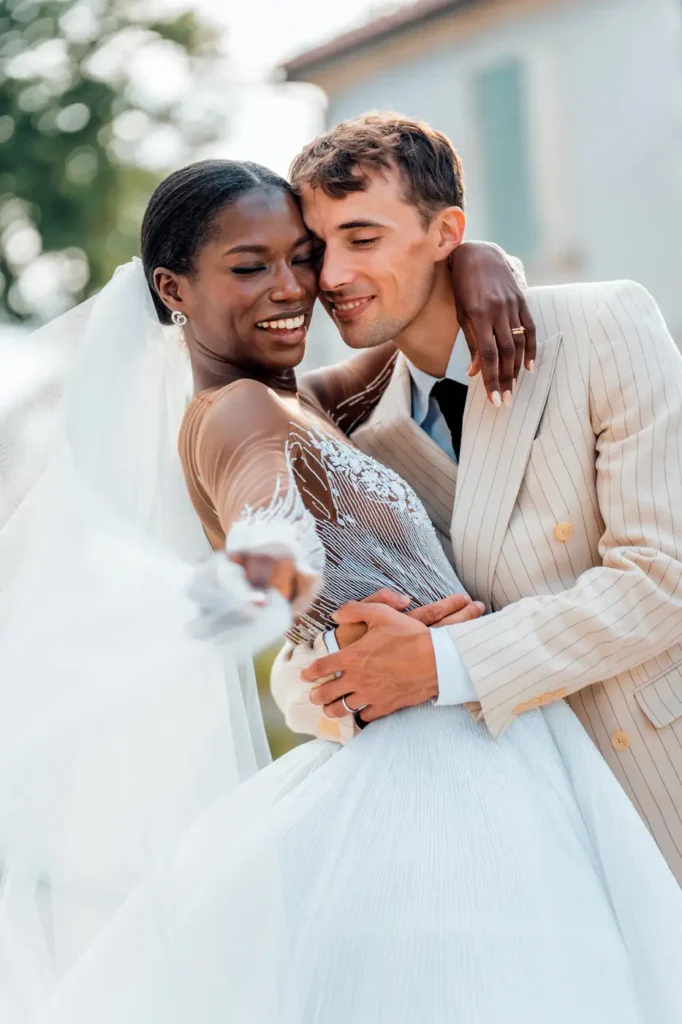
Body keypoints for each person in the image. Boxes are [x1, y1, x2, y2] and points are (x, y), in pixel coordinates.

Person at [21, 156, 682, 1024]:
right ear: (172, 289)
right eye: (250, 267)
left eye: (302, 257)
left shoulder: (304, 398)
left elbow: (418, 343)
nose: (297, 286)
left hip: (504, 747)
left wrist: (475, 258)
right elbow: (266, 508)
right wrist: (269, 569)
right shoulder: (238, 414)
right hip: (438, 775)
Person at [273, 113, 682, 886]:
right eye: (316, 248)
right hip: (526, 846)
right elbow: (298, 672)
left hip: (658, 785)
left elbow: (663, 579)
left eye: (363, 238)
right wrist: (363, 663)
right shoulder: (360, 440)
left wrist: (440, 661)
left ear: (446, 234)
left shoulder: (602, 327)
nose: (330, 276)